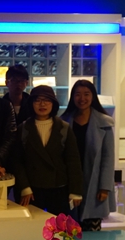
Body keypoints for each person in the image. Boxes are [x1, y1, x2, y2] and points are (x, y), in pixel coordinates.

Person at [12, 85, 84, 216]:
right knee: (33, 226)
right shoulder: (24, 128)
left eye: (47, 100)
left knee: (58, 226)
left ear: (53, 103)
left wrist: (75, 191)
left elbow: (73, 161)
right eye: (37, 100)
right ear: (31, 103)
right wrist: (24, 187)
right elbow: (17, 161)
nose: (42, 104)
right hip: (32, 189)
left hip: (59, 187)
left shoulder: (64, 128)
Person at [61, 80, 116, 231]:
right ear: (72, 97)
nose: (82, 98)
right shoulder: (64, 121)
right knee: (68, 229)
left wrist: (104, 187)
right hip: (70, 180)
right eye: (78, 94)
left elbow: (108, 158)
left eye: (86, 94)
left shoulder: (104, 122)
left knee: (92, 230)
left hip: (94, 182)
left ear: (93, 97)